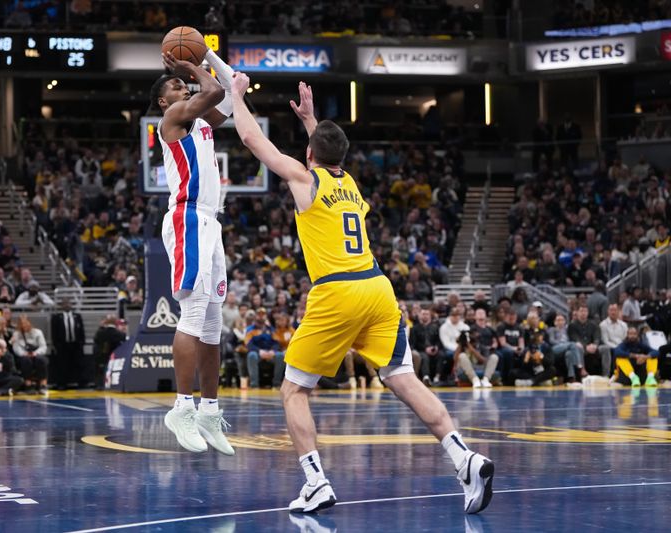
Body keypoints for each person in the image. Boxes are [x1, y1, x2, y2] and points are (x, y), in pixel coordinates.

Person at [231, 75, 494, 514]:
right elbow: (324, 152)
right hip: (377, 288)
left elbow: (251, 138)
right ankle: (463, 457)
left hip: (338, 292)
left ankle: (315, 481)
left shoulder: (304, 177)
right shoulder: (348, 182)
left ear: (310, 154)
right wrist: (311, 120)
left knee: (293, 391)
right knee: (402, 378)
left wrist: (237, 97)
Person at [151, 46, 236, 455]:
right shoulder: (173, 117)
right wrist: (192, 65)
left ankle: (208, 409)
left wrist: (210, 58)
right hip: (186, 217)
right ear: (163, 101)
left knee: (213, 321)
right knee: (195, 310)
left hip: (209, 221)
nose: (181, 85)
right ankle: (181, 407)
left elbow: (231, 99)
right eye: (174, 85)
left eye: (183, 82)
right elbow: (217, 93)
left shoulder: (200, 116)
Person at [51, 299, 88, 389]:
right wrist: (56, 344)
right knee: (62, 365)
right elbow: (54, 332)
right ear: (61, 306)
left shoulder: (77, 316)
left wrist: (82, 342)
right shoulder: (56, 317)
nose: (67, 305)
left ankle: (82, 383)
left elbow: (81, 330)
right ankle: (62, 383)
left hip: (76, 344)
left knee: (80, 364)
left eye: (68, 304)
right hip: (63, 345)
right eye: (65, 304)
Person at [11, 316, 49, 395]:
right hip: (24, 355)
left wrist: (35, 353)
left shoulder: (38, 332)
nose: (24, 325)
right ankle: (28, 385)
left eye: (25, 323)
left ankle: (43, 385)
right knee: (26, 360)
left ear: (30, 323)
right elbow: (16, 348)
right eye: (22, 324)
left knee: (41, 360)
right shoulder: (16, 334)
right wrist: (24, 354)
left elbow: (43, 346)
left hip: (36, 353)